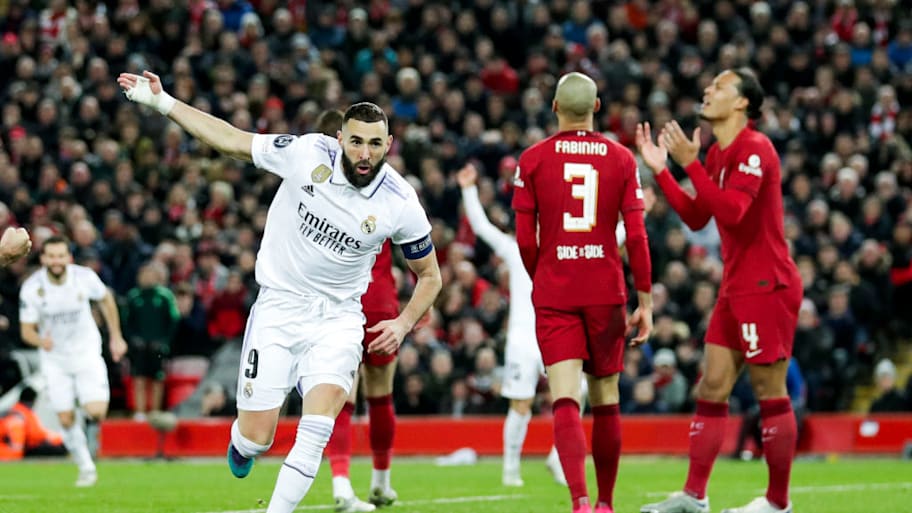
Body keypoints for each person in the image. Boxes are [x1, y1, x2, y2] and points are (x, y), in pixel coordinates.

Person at [117, 71, 441, 513]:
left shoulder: (400, 201)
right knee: (257, 438)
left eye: (376, 144)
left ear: (389, 145)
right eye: (356, 142)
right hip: (279, 308)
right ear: (340, 137)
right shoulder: (306, 153)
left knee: (317, 428)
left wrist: (404, 323)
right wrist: (163, 102)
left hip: (340, 319)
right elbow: (231, 140)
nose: (365, 154)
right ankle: (242, 442)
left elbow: (430, 276)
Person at [636, 68, 802, 513]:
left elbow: (731, 212)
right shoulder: (715, 155)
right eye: (708, 86)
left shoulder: (756, 148)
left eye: (720, 87)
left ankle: (778, 504)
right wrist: (663, 172)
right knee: (711, 386)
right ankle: (694, 496)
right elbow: (696, 217)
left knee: (770, 390)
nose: (708, 91)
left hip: (768, 284)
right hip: (735, 285)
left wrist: (689, 162)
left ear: (743, 102)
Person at [512, 72, 654, 513]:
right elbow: (637, 234)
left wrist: (544, 276)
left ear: (554, 108)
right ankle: (606, 503)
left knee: (565, 397)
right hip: (605, 291)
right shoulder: (622, 158)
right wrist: (645, 300)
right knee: (606, 396)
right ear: (596, 108)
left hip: (556, 292)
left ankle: (579, 502)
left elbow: (524, 239)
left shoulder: (532, 159)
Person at [457, 162, 627, 488]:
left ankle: (556, 457)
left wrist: (634, 215)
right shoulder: (513, 248)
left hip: (558, 333)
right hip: (523, 337)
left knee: (574, 396)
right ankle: (510, 470)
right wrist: (468, 189)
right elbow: (479, 226)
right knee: (520, 404)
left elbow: (607, 241)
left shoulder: (563, 248)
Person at [317, 109, 399, 513]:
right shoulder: (389, 186)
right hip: (381, 296)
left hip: (340, 299)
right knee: (381, 396)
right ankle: (381, 483)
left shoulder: (316, 186)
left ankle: (341, 485)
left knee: (341, 395)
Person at [18, 235, 128, 486]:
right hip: (55, 359)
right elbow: (27, 331)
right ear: (44, 258)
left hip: (86, 352)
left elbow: (106, 299)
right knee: (65, 419)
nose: (56, 261)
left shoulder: (84, 278)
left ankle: (77, 404)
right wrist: (40, 341)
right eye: (51, 256)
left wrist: (116, 336)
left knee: (96, 411)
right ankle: (86, 467)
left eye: (61, 256)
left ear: (69, 257)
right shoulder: (32, 288)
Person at [123, 263, 180, 420]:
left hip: (158, 347)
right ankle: (140, 411)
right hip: (139, 346)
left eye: (150, 275)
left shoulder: (165, 296)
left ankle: (155, 411)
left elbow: (173, 320)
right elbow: (126, 322)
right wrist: (133, 339)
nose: (147, 278)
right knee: (138, 377)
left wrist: (164, 341)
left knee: (157, 378)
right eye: (144, 274)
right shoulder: (133, 296)